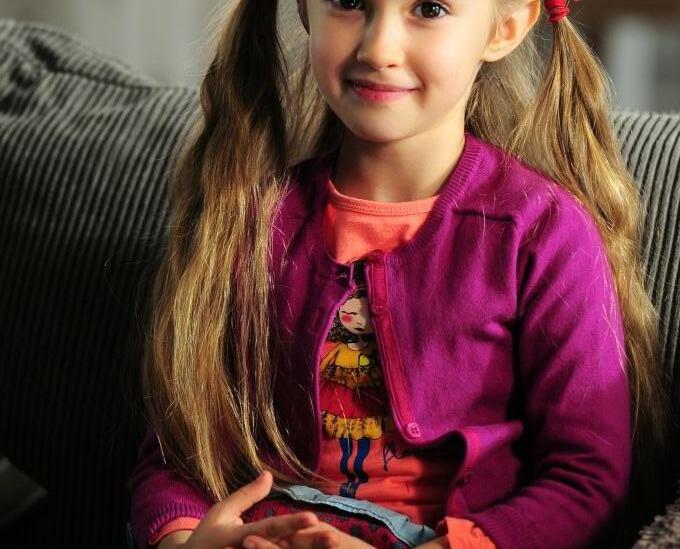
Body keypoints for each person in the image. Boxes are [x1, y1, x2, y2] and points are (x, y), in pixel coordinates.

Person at [125, 0, 673, 548]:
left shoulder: (544, 233)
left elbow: (586, 481)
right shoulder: (247, 225)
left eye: (429, 8)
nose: (378, 48)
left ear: (505, 27)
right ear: (306, 8)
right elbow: (179, 453)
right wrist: (185, 541)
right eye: (349, 2)